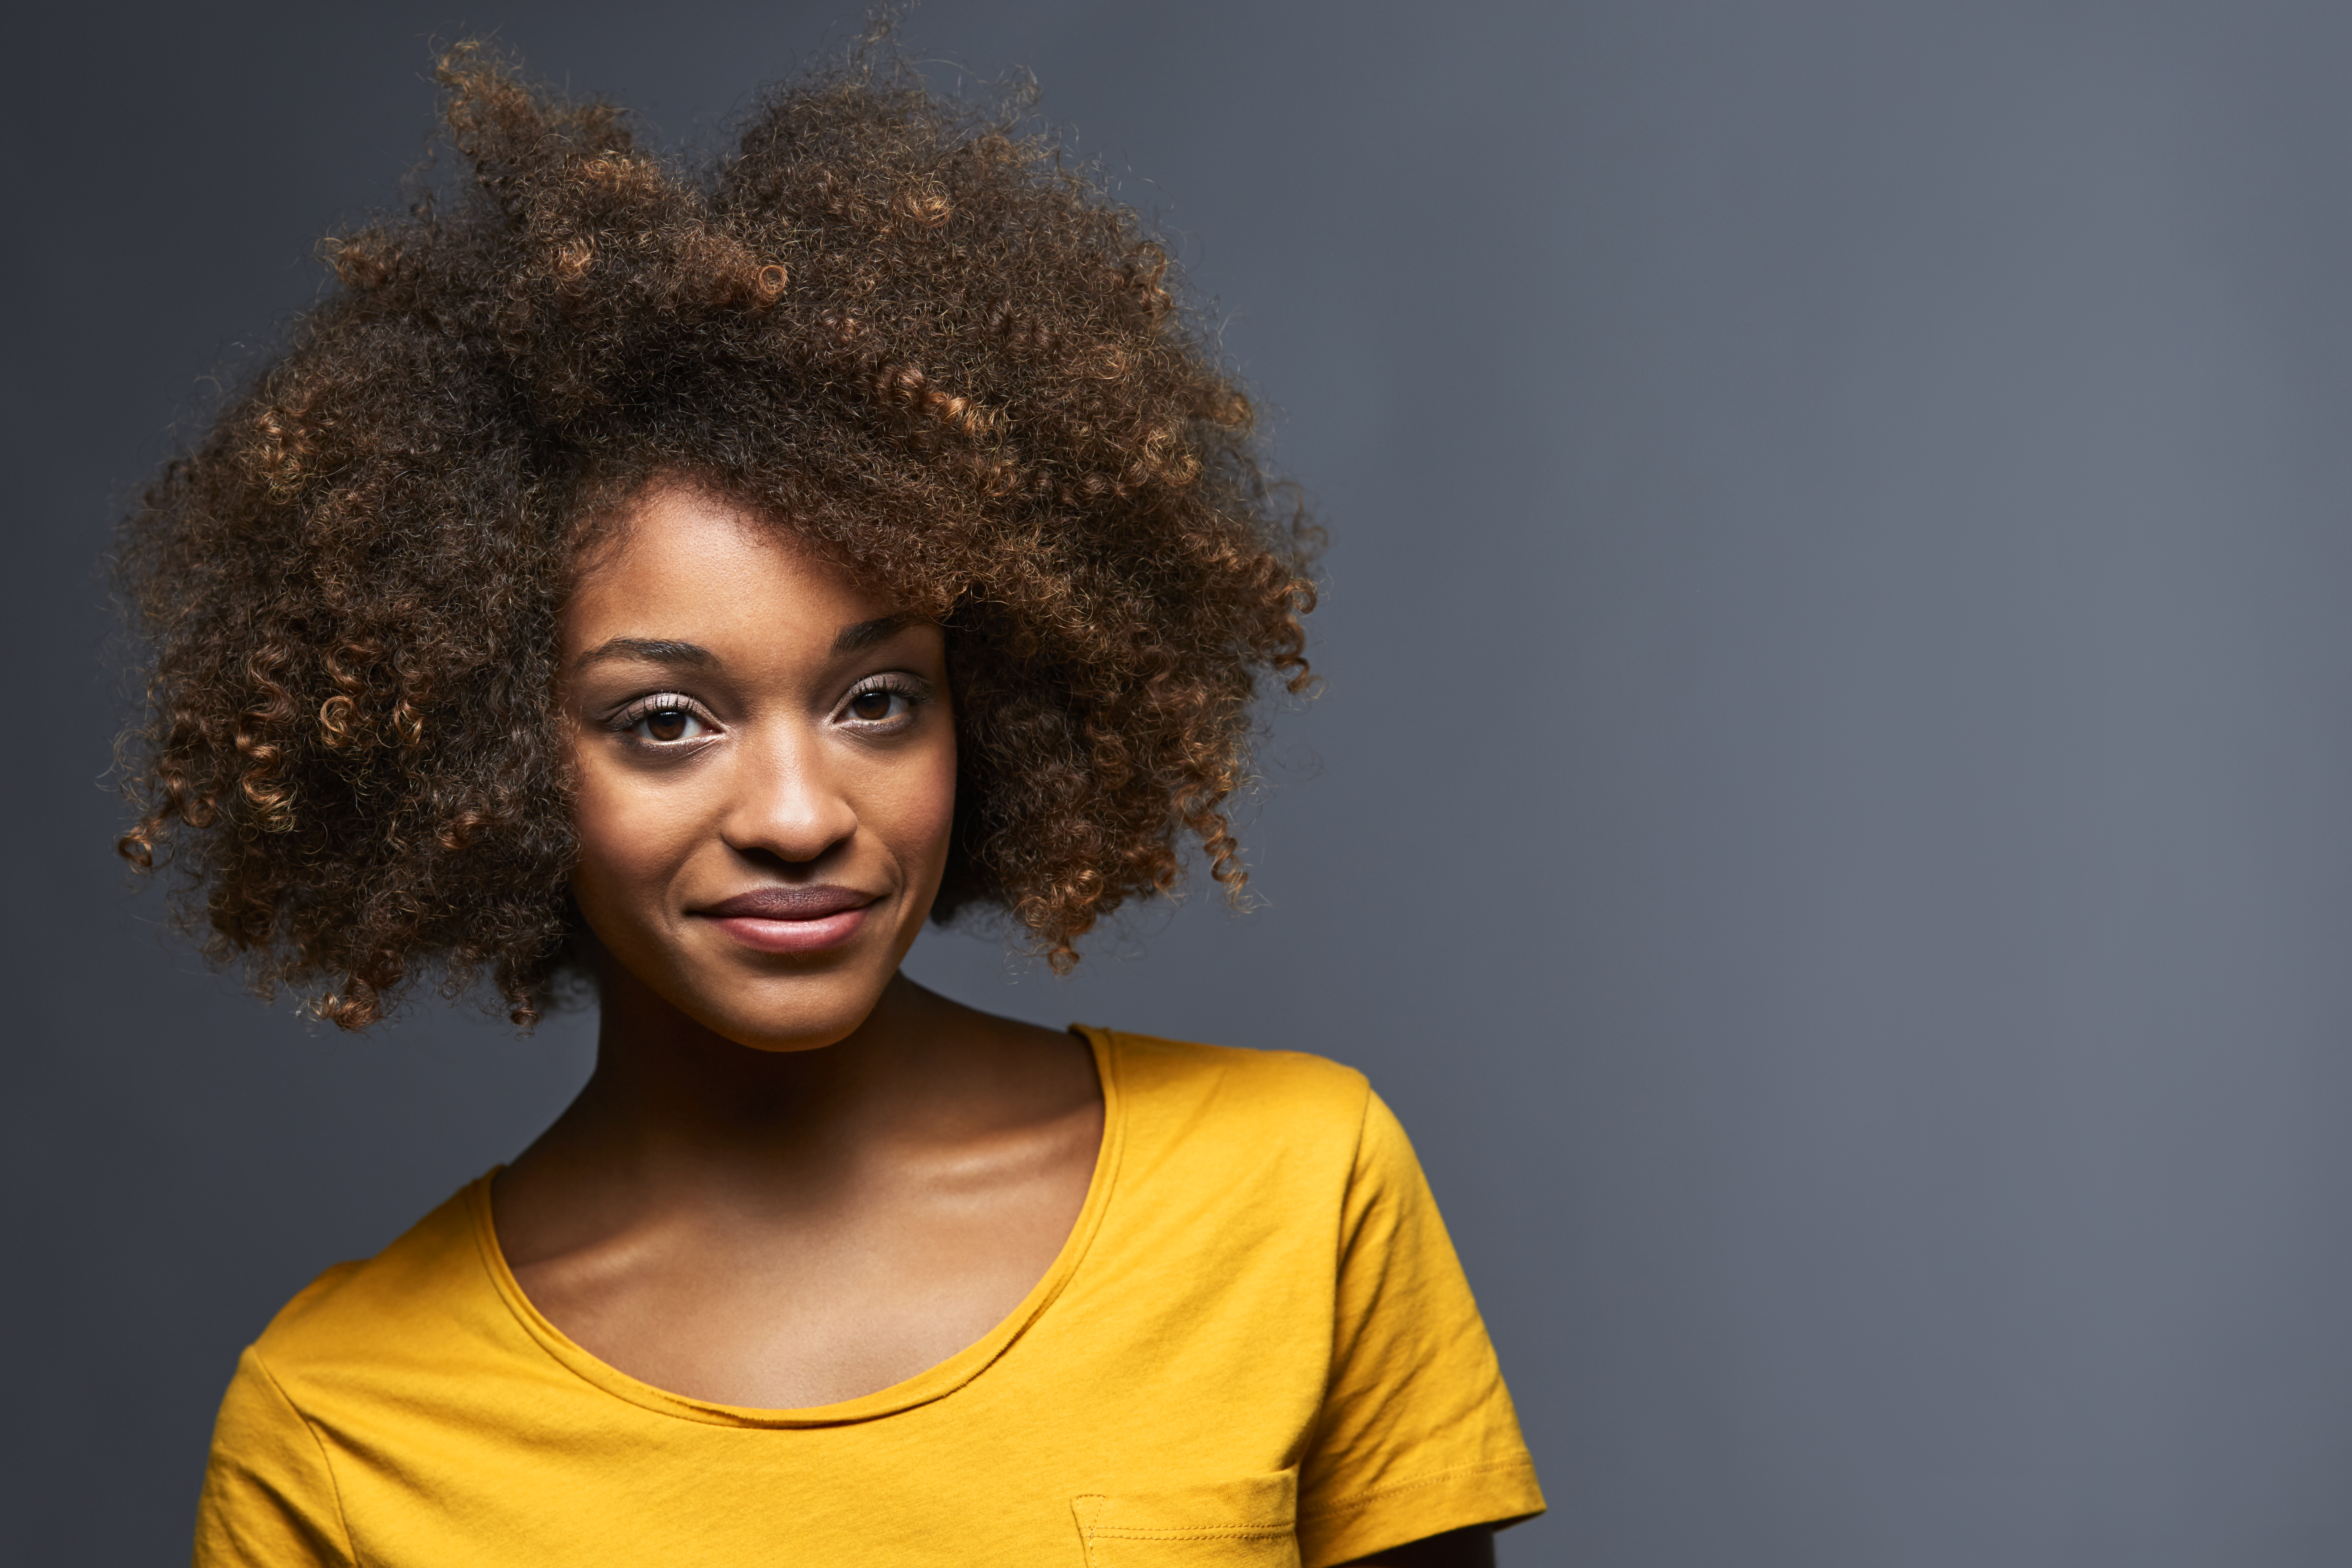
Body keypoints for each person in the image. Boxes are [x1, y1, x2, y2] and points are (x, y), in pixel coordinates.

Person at [118, 34, 1543, 1568]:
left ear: (983, 708)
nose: (798, 813)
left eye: (877, 700)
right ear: (488, 763)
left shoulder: (1290, 1187)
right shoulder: (345, 1424)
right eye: (666, 721)